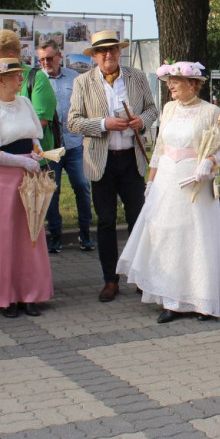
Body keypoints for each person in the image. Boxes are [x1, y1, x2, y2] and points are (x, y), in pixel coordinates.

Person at [117, 61, 220, 323]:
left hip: (194, 181)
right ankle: (171, 300)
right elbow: (159, 148)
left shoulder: (210, 111)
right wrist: (151, 182)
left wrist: (209, 163)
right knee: (167, 236)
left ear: (193, 84)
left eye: (175, 81)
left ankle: (202, 299)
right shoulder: (168, 109)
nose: (170, 85)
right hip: (168, 183)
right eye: (168, 80)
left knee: (196, 237)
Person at [67, 31, 158, 302]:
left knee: (137, 220)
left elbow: (152, 109)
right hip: (100, 162)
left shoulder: (137, 77)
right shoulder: (83, 82)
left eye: (113, 49)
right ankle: (110, 279)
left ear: (120, 52)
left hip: (131, 159)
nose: (109, 55)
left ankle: (141, 276)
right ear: (94, 56)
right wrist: (104, 123)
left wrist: (141, 120)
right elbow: (73, 122)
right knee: (106, 222)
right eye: (103, 51)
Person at [0, 57, 53, 316]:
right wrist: (19, 161)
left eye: (20, 74)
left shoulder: (25, 103)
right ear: (0, 80)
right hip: (2, 179)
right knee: (4, 235)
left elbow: (32, 137)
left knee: (29, 233)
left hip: (28, 175)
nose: (21, 78)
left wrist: (37, 153)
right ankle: (5, 295)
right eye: (16, 75)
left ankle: (29, 293)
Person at [37, 40, 93, 253]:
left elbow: (86, 108)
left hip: (74, 144)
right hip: (50, 147)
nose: (45, 63)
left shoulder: (75, 78)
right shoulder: (38, 79)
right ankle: (55, 236)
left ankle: (85, 232)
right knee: (51, 190)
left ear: (59, 56)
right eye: (41, 59)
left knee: (82, 186)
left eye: (49, 58)